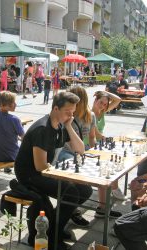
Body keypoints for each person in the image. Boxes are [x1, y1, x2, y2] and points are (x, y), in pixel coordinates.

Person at [14, 92, 93, 250]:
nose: (71, 115)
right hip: (29, 174)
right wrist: (65, 176)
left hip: (45, 171)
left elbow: (81, 150)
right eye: (67, 112)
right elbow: (40, 167)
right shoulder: (43, 129)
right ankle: (53, 236)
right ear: (56, 108)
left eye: (73, 112)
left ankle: (52, 225)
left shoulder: (61, 125)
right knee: (70, 192)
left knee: (85, 189)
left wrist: (70, 125)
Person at [58, 86, 96, 228]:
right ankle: (71, 210)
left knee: (84, 187)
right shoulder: (66, 116)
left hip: (80, 152)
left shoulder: (90, 115)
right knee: (76, 180)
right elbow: (69, 144)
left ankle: (69, 209)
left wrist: (96, 154)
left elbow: (92, 138)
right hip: (65, 152)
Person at [92, 91, 126, 211]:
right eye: (101, 102)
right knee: (108, 162)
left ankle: (114, 188)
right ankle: (112, 191)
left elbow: (118, 100)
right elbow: (97, 134)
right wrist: (111, 140)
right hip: (89, 145)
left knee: (116, 158)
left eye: (105, 104)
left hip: (98, 144)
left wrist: (105, 92)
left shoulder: (103, 112)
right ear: (95, 100)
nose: (103, 105)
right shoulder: (90, 113)